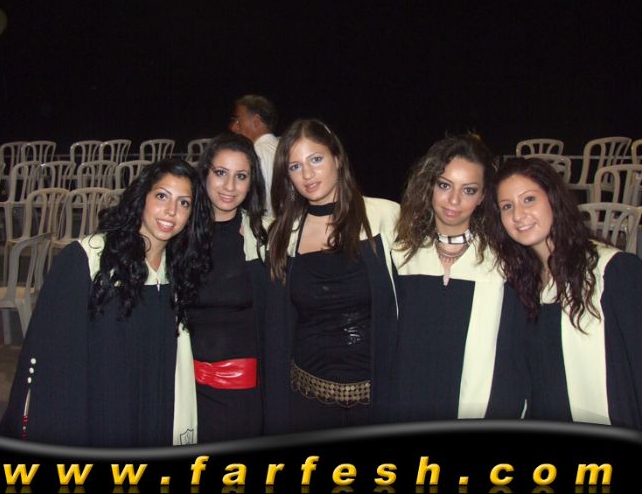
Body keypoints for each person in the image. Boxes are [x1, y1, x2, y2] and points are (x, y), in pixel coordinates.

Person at [0, 159, 213, 446]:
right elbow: (54, 361)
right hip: (98, 415)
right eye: (162, 196)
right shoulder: (87, 259)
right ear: (142, 197)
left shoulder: (177, 270)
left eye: (183, 203)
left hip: (155, 413)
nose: (171, 211)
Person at [489, 157, 642, 432]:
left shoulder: (612, 271)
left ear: (553, 199)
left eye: (529, 199)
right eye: (507, 206)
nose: (518, 215)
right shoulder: (520, 287)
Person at [263, 118, 399, 434]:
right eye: (295, 166)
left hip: (377, 401)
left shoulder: (385, 217)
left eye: (316, 159)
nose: (307, 174)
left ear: (337, 158)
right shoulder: (282, 234)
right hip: (306, 401)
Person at [391, 134, 527, 422]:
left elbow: (515, 357)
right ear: (430, 186)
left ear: (482, 197)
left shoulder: (503, 263)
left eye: (468, 190)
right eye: (444, 185)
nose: (454, 200)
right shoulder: (401, 257)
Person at [188, 133, 268, 442]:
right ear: (205, 173)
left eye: (241, 176)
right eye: (221, 173)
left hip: (243, 395)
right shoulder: (179, 235)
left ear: (251, 183)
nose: (230, 186)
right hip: (187, 390)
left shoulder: (263, 238)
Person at [230, 94, 279, 215]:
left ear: (256, 121)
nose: (233, 128)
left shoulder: (252, 156)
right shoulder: (284, 148)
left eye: (238, 121)